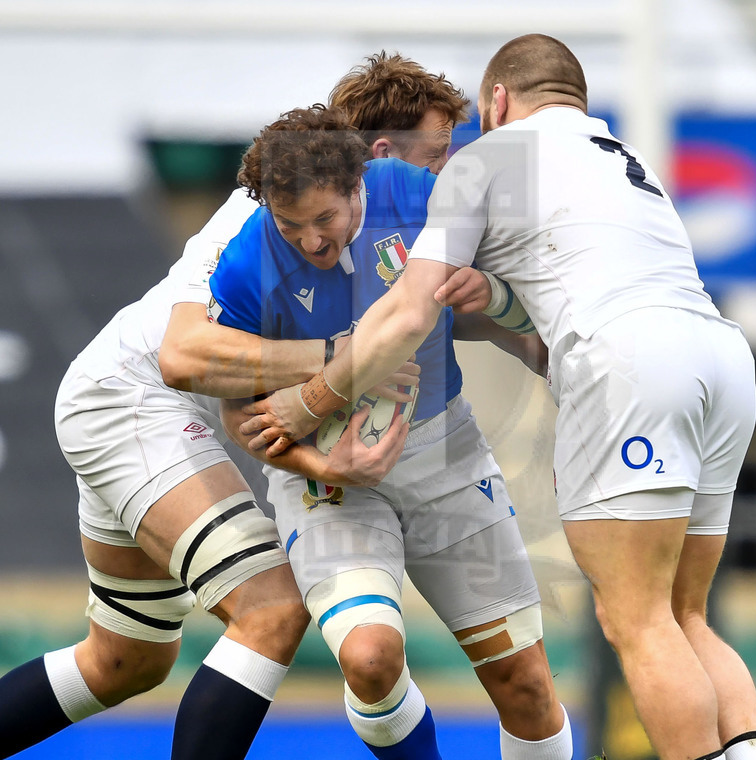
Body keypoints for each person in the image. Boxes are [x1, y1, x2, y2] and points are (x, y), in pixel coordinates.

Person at [243, 34, 756, 760]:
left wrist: (309, 400)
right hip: (720, 355)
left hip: (628, 365)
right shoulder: (624, 158)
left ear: (498, 102)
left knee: (639, 621)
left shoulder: (495, 158)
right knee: (686, 616)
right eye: (432, 154)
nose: (443, 169)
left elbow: (411, 311)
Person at [0, 52, 466, 760]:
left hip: (124, 397)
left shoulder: (372, 231)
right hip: (133, 399)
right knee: (271, 608)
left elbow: (252, 406)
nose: (443, 172)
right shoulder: (279, 214)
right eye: (433, 155)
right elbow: (184, 357)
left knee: (124, 659)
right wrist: (341, 360)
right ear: (378, 154)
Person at [212, 104, 573, 760]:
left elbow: (528, 292)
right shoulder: (243, 267)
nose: (311, 242)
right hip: (326, 483)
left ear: (359, 183)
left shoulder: (413, 193)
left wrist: (489, 289)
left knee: (524, 684)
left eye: (325, 220)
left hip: (446, 457)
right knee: (371, 658)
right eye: (291, 227)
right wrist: (327, 468)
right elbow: (237, 414)